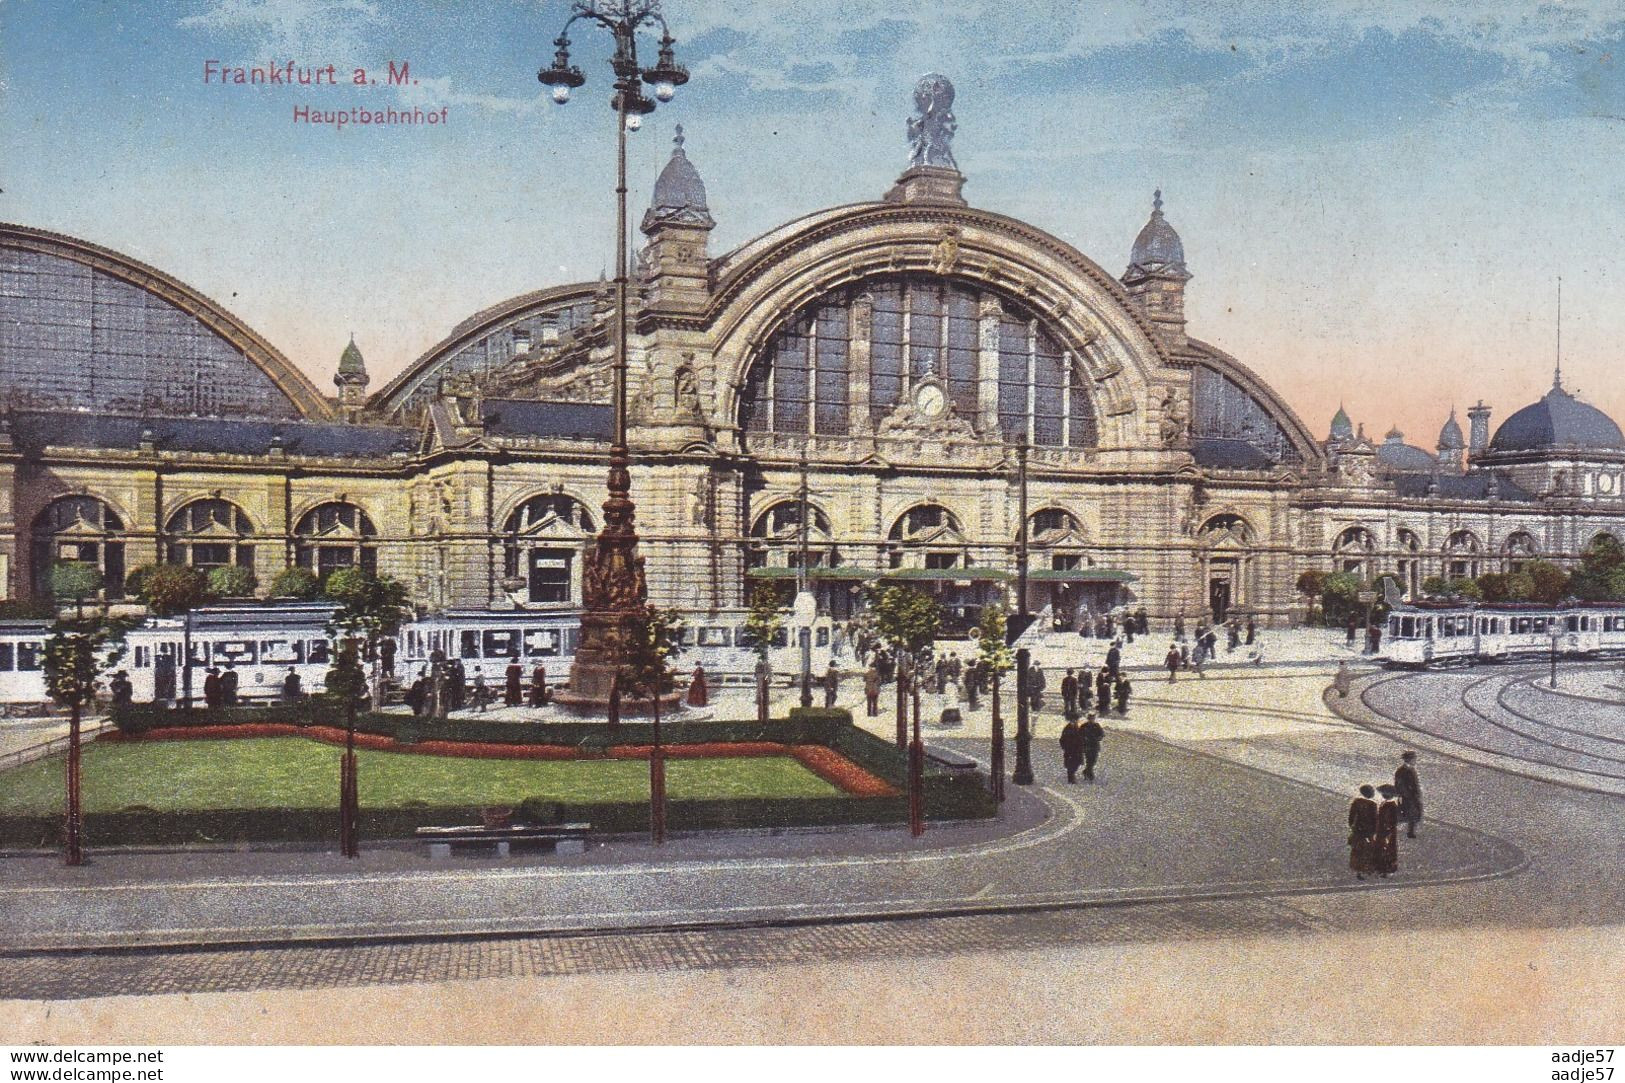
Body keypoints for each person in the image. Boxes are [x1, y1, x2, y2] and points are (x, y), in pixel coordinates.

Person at [1348, 784, 1379, 880]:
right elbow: (1375, 819)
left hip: (1358, 830)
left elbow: (1351, 817)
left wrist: (1352, 826)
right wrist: (1375, 831)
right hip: (1368, 831)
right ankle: (1368, 869)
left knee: (1358, 851)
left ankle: (1359, 871)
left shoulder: (1356, 802)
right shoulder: (1372, 805)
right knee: (1368, 850)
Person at [1394, 751, 1423, 838]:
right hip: (1407, 796)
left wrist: (1417, 793)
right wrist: (1406, 794)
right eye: (1414, 759)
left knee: (1413, 813)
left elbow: (1415, 783)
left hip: (1413, 795)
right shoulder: (1402, 771)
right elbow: (1399, 784)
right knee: (1407, 813)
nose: (1415, 761)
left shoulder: (1411, 769)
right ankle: (1408, 831)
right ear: (1409, 760)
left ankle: (1411, 831)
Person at [1374, 784, 1401, 877]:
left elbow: (1390, 820)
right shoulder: (1386, 804)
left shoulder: (1390, 806)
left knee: (1386, 849)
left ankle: (1385, 868)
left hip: (1386, 831)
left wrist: (1387, 831)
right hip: (1384, 830)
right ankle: (1383, 868)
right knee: (1385, 849)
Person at [1059, 716, 1084, 784]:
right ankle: (1071, 778)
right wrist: (1065, 747)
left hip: (1077, 750)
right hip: (1069, 750)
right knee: (1070, 765)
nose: (1075, 722)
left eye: (1076, 720)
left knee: (1076, 763)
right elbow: (1062, 740)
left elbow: (1081, 738)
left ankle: (1072, 776)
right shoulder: (1067, 729)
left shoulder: (1078, 728)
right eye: (1073, 720)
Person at [1080, 712, 1104, 781]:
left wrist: (1098, 738)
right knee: (1089, 760)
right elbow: (1080, 735)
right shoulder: (1084, 726)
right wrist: (1084, 739)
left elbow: (1101, 734)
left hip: (1095, 746)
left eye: (1093, 719)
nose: (1091, 720)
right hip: (1087, 746)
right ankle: (1090, 774)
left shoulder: (1097, 726)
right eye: (1090, 719)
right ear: (1088, 719)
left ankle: (1086, 771)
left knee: (1093, 760)